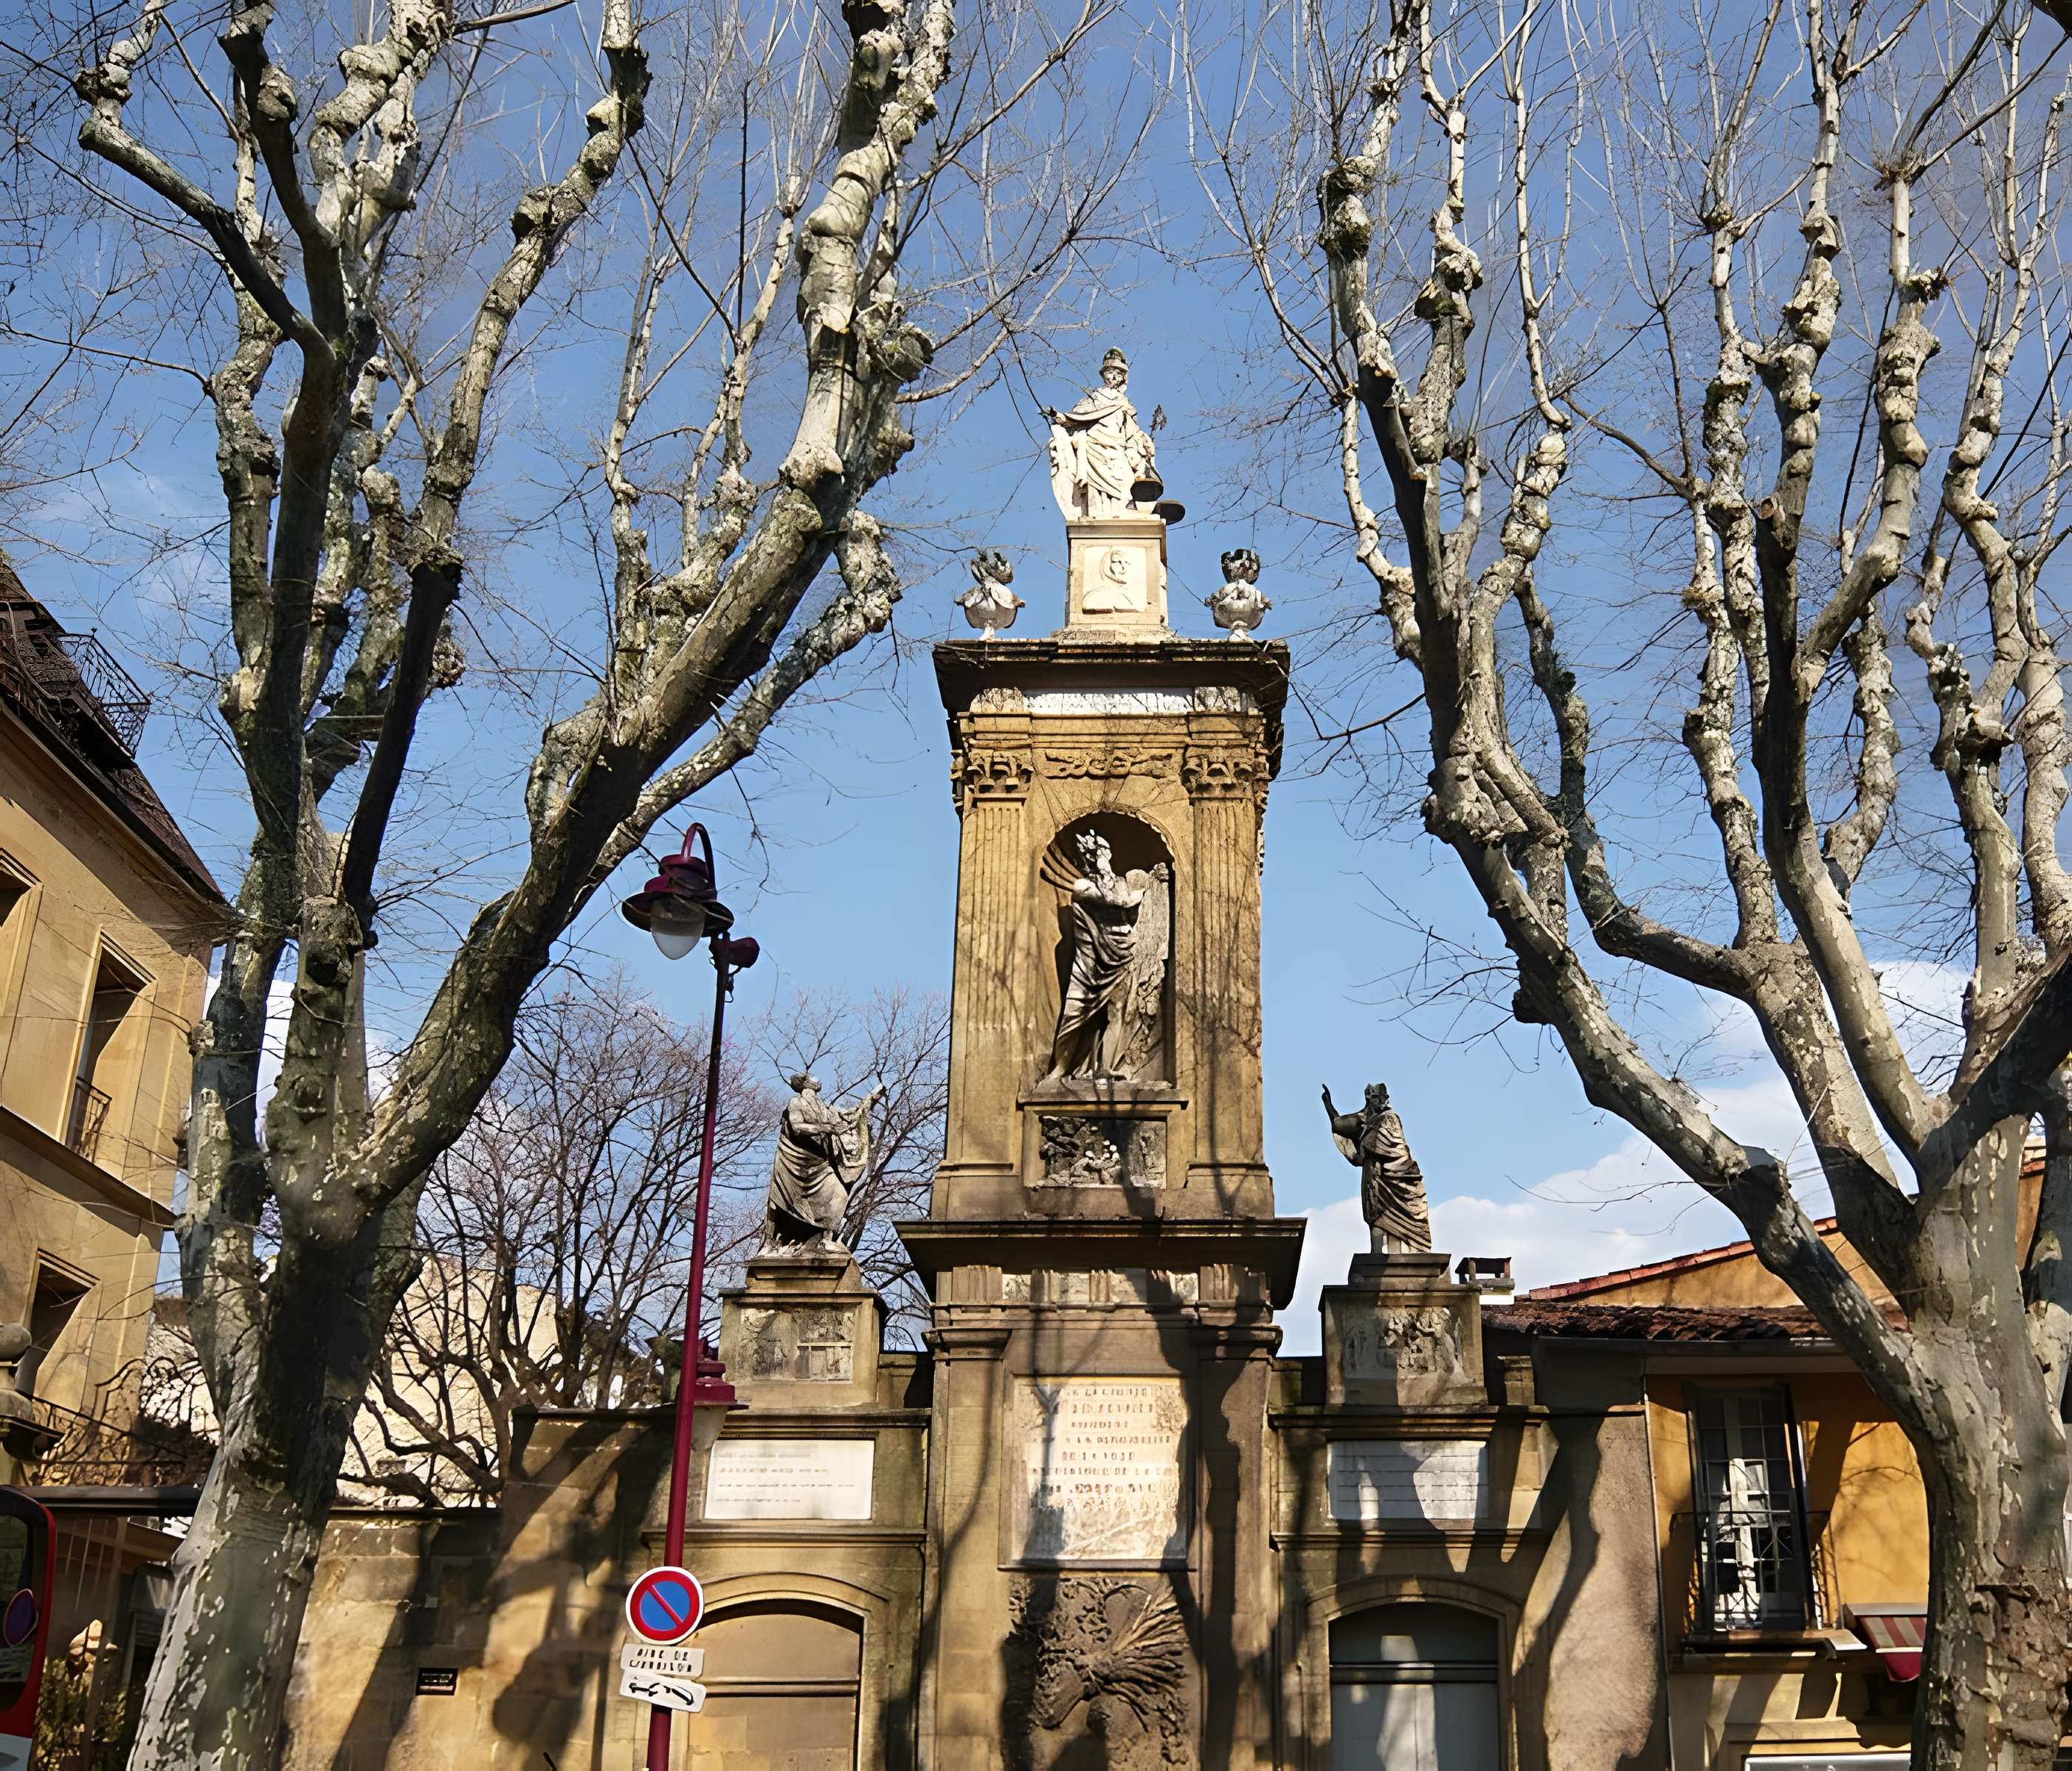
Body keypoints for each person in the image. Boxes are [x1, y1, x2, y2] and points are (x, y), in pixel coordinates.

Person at [763, 1073, 882, 1250]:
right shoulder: (796, 1102)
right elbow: (797, 1127)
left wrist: (870, 1101)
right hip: (793, 1160)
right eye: (811, 1078)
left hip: (818, 1163)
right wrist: (825, 1128)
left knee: (839, 1195)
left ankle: (826, 1238)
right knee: (777, 1201)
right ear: (805, 1084)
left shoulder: (824, 1107)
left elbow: (848, 1119)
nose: (817, 1079)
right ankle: (769, 1241)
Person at [1322, 1080, 1433, 1253]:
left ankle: (1406, 1253)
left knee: (1404, 1216)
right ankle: (1378, 1254)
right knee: (1377, 1217)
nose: (1380, 1100)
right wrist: (1329, 1106)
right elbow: (1338, 1124)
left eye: (1382, 1097)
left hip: (1399, 1175)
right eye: (1375, 1097)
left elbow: (1395, 1147)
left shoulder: (1389, 1119)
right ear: (1369, 1099)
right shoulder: (1365, 1121)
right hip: (1375, 1178)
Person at [1047, 348, 1158, 518]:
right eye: (1110, 372)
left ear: (1123, 378)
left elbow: (1131, 432)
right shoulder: (1094, 399)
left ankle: (1122, 512)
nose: (1113, 377)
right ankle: (1098, 515)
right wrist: (1059, 416)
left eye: (1118, 374)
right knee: (1097, 491)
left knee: (1125, 481)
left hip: (1116, 447)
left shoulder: (1125, 404)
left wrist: (1143, 444)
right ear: (1104, 374)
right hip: (1094, 446)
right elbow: (1076, 417)